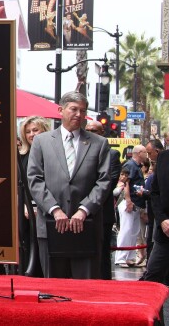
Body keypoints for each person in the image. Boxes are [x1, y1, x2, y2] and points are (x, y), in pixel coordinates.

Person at [27, 91, 110, 279]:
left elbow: (104, 181)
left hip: (86, 226)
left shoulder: (99, 143)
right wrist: (55, 210)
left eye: (83, 110)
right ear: (61, 110)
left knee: (86, 288)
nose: (79, 115)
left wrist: (84, 210)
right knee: (54, 288)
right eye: (73, 109)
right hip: (51, 225)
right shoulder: (42, 141)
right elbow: (34, 179)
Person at [85, 119, 121, 279]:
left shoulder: (112, 154)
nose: (91, 134)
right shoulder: (77, 151)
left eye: (95, 131)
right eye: (88, 130)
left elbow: (109, 182)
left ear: (102, 133)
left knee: (103, 253)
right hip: (79, 212)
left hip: (102, 213)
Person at [17, 116, 50, 276]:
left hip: (47, 210)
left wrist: (39, 205)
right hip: (25, 211)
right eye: (28, 131)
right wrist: (24, 205)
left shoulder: (52, 154)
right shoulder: (21, 155)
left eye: (35, 130)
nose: (32, 134)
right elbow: (19, 184)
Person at [142, 147, 169, 285]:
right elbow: (155, 193)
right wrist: (162, 220)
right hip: (166, 230)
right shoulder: (164, 157)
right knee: (152, 277)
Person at [120, 145, 148, 266]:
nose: (146, 155)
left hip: (137, 203)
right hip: (130, 203)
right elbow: (125, 183)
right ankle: (121, 257)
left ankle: (129, 257)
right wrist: (128, 200)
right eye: (145, 152)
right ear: (139, 153)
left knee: (134, 231)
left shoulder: (137, 166)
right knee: (126, 230)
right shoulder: (130, 165)